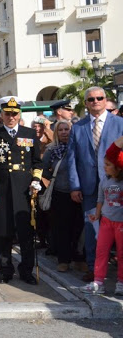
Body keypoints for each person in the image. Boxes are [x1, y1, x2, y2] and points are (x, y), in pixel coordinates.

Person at [67, 86, 123, 282]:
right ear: (86, 103)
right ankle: (94, 268)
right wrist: (75, 186)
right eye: (91, 99)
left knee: (120, 228)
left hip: (117, 185)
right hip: (89, 187)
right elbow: (72, 159)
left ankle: (119, 271)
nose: (96, 101)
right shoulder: (79, 127)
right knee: (91, 228)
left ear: (105, 100)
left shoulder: (120, 123)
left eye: (99, 98)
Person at [0, 97, 42, 285]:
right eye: (7, 114)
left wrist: (36, 180)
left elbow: (36, 162)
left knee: (26, 233)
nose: (11, 117)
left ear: (19, 114)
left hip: (24, 190)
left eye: (14, 114)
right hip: (2, 191)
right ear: (1, 115)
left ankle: (26, 270)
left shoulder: (30, 134)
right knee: (3, 233)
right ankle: (6, 269)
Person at [42, 120, 85, 273]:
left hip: (80, 193)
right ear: (56, 133)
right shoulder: (51, 150)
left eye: (67, 129)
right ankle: (63, 260)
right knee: (62, 229)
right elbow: (44, 170)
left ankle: (78, 258)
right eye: (61, 130)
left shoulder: (79, 147)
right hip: (60, 194)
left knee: (79, 228)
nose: (64, 132)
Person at [81, 138, 123, 296]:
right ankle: (98, 281)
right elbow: (100, 199)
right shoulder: (104, 181)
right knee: (101, 250)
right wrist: (97, 215)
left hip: (121, 223)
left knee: (121, 253)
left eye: (108, 165)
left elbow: (113, 154)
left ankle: (121, 282)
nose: (104, 167)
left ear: (118, 168)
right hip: (106, 221)